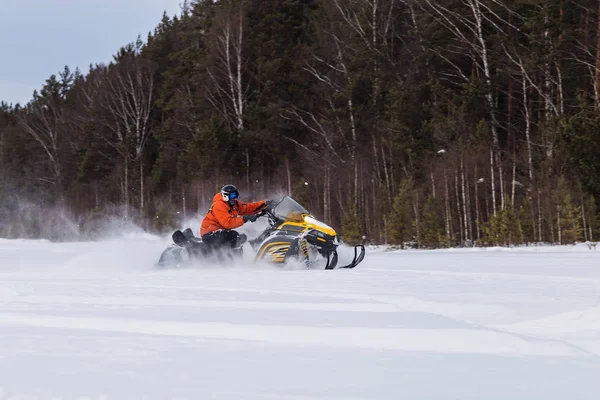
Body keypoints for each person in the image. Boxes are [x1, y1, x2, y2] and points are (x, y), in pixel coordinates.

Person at [200, 184, 274, 252]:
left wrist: (265, 204)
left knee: (242, 237)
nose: (235, 198)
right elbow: (228, 223)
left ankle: (233, 254)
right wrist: (245, 219)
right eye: (232, 196)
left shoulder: (234, 205)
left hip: (220, 232)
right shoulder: (219, 205)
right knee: (233, 236)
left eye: (236, 195)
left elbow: (249, 208)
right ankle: (225, 258)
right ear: (225, 196)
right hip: (209, 234)